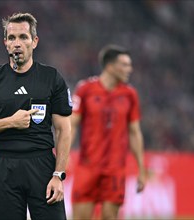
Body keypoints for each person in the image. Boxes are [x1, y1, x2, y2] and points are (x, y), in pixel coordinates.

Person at [0, 13, 72, 220]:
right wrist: (10, 122)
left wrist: (58, 175)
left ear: (34, 41)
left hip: (42, 166)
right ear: (5, 43)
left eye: (23, 37)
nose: (17, 43)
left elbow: (63, 129)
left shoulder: (52, 78)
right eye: (12, 38)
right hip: (5, 167)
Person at [70, 45, 146, 220]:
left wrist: (141, 169)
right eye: (125, 65)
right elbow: (72, 125)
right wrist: (63, 157)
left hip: (115, 170)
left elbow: (135, 132)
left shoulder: (129, 94)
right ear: (110, 66)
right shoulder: (85, 89)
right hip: (87, 167)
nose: (130, 69)